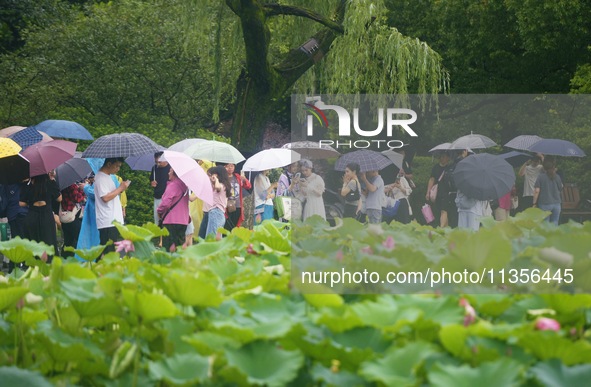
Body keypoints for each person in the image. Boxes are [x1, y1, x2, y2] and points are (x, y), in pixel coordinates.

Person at [19, 174, 62, 261]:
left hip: (32, 215)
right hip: (46, 216)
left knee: (34, 242)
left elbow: (21, 203)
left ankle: (35, 267)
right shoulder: (50, 184)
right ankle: (49, 266)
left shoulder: (28, 185)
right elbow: (59, 199)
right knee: (49, 241)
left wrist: (31, 202)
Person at [95, 158, 130, 252]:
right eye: (117, 166)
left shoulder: (108, 176)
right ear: (109, 164)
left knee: (109, 251)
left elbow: (111, 195)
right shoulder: (100, 177)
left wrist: (121, 189)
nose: (118, 169)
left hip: (112, 220)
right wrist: (120, 189)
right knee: (108, 252)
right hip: (107, 221)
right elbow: (105, 197)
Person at [157, 167, 189, 250]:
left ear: (174, 173)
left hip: (171, 221)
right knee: (179, 249)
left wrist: (159, 211)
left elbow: (165, 204)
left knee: (167, 249)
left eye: (170, 171)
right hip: (183, 221)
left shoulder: (173, 185)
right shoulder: (185, 186)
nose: (168, 173)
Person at [76, 174, 100, 261]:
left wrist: (86, 187)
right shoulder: (103, 177)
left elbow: (98, 194)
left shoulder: (104, 177)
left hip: (97, 215)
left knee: (93, 239)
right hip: (94, 214)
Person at [533, 157, 563, 225]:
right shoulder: (557, 176)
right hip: (557, 204)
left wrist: (534, 203)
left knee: (545, 223)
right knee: (555, 222)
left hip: (544, 203)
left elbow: (537, 191)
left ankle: (546, 236)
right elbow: (561, 188)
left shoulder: (541, 177)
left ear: (544, 167)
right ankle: (553, 236)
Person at [60, 182, 86, 257]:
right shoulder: (71, 185)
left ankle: (64, 260)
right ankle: (84, 259)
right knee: (81, 238)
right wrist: (83, 190)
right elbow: (77, 198)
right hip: (73, 218)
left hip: (66, 218)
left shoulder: (62, 185)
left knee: (68, 241)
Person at [223, 162, 252, 230]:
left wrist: (244, 179)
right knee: (227, 225)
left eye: (232, 166)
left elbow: (248, 186)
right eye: (228, 166)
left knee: (235, 224)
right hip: (226, 205)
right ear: (225, 167)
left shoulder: (237, 177)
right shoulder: (223, 177)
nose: (230, 168)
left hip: (237, 205)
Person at [203, 166, 231, 236]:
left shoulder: (221, 185)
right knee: (217, 237)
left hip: (216, 212)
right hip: (220, 213)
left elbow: (218, 187)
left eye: (214, 174)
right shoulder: (225, 185)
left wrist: (216, 180)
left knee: (211, 236)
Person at [426, 152, 450, 227]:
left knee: (444, 210)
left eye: (444, 157)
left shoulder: (450, 167)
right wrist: (428, 192)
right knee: (441, 211)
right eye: (441, 157)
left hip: (447, 192)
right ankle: (446, 229)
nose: (442, 158)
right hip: (437, 193)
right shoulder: (435, 167)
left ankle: (442, 228)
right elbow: (432, 180)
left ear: (448, 158)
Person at [150, 151, 171, 224]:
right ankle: (159, 235)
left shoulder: (171, 168)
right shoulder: (154, 168)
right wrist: (152, 183)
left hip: (167, 197)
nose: (158, 164)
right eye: (156, 162)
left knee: (166, 219)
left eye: (159, 162)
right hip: (157, 197)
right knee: (157, 220)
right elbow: (151, 180)